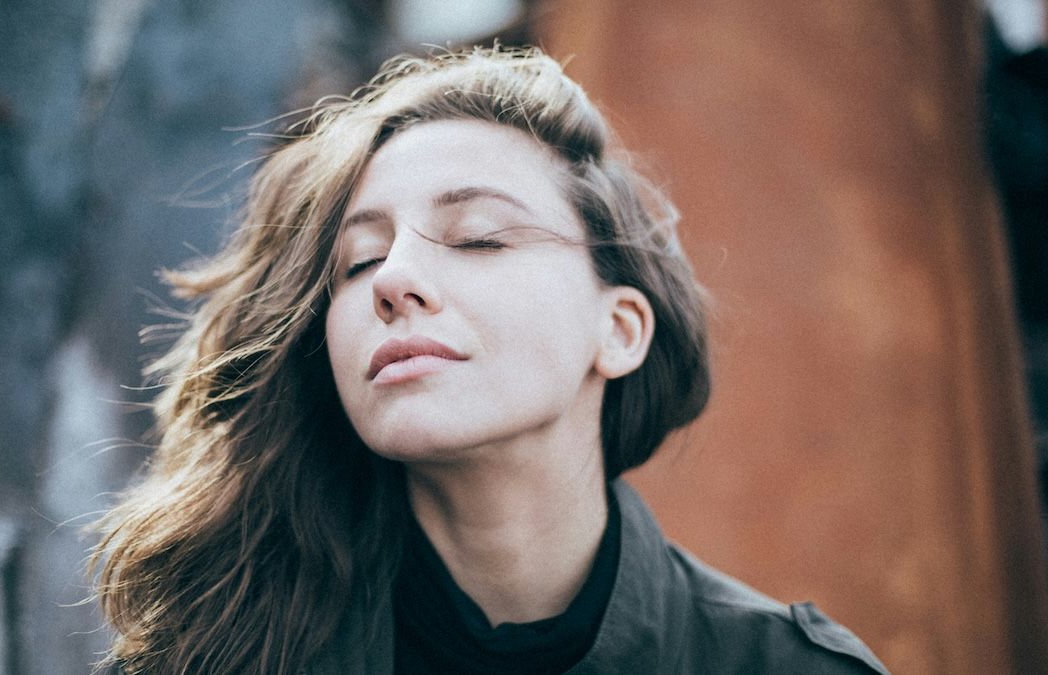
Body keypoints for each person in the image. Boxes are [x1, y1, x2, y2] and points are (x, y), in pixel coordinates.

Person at [91, 46, 888, 674]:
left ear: (619, 330)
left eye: (479, 236)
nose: (394, 279)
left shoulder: (779, 667)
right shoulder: (206, 654)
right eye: (358, 261)